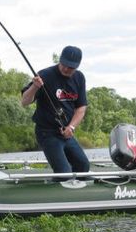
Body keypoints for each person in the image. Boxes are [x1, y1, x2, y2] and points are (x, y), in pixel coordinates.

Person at [21, 45, 90, 177]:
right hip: (47, 133)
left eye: (70, 67)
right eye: (63, 64)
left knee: (83, 165)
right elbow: (24, 102)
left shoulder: (79, 78)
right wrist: (35, 87)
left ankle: (75, 192)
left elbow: (81, 108)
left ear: (77, 66)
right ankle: (58, 187)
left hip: (66, 132)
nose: (65, 68)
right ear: (60, 60)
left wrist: (71, 127)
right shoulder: (45, 75)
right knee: (64, 172)